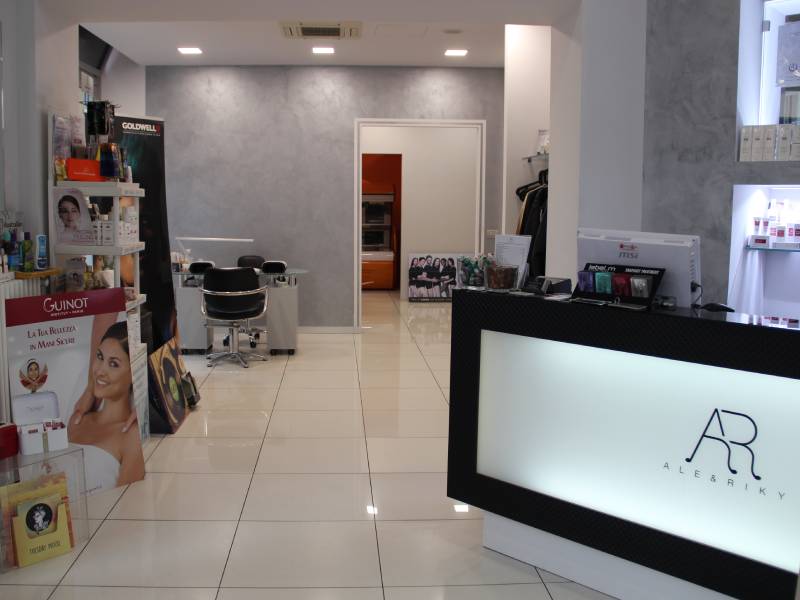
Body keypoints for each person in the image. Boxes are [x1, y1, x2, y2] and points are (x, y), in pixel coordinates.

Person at [68, 321, 145, 492]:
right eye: (100, 357)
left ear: (135, 373)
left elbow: (128, 502)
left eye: (114, 364)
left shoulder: (132, 436)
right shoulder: (77, 421)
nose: (99, 371)